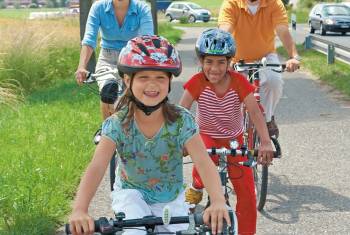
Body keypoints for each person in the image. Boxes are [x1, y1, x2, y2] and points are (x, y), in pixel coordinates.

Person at [69, 35, 231, 235]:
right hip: (131, 194)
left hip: (170, 197)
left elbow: (204, 162)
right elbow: (97, 167)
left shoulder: (182, 121)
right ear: (127, 80)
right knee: (134, 231)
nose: (152, 85)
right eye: (144, 77)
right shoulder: (117, 124)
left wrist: (217, 200)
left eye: (160, 78)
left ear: (170, 82)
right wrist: (80, 209)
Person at [179, 29, 273, 235]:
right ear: (201, 60)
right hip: (205, 135)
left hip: (233, 139)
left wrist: (265, 141)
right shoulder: (196, 82)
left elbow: (255, 112)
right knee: (205, 164)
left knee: (247, 193)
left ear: (230, 62)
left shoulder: (239, 82)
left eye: (221, 62)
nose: (215, 68)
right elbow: (182, 112)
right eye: (209, 61)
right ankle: (196, 186)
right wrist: (180, 141)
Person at [218, 0, 301, 138]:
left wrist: (294, 56)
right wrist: (221, 57)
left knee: (274, 81)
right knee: (229, 92)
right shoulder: (232, 3)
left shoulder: (273, 3)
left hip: (265, 56)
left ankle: (268, 119)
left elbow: (282, 30)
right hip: (235, 58)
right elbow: (225, 30)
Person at [75, 0, 154, 120]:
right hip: (107, 58)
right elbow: (89, 40)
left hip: (133, 57)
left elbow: (147, 40)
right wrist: (81, 67)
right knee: (108, 91)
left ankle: (135, 130)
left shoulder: (141, 8)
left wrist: (148, 67)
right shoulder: (98, 7)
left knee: (133, 98)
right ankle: (107, 132)